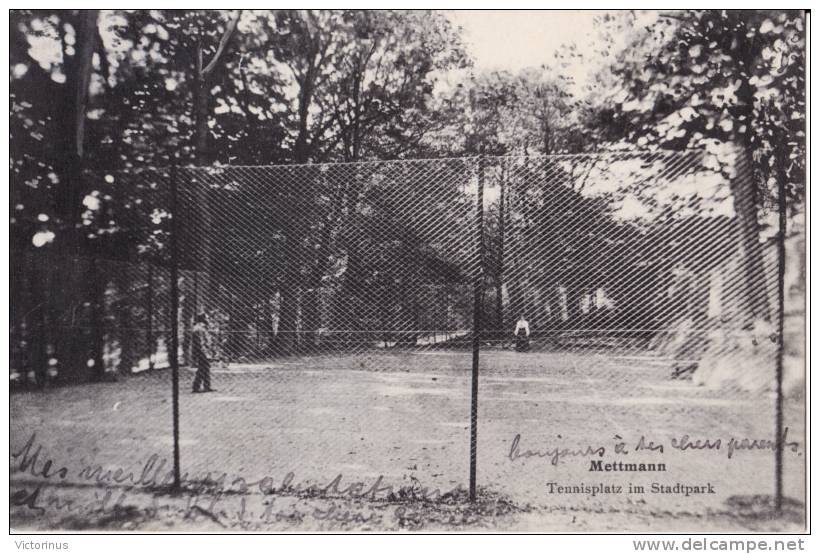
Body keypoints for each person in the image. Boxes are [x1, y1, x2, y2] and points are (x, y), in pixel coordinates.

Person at [192, 313, 216, 393]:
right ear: (203, 319)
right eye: (207, 318)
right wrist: (205, 353)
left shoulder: (201, 328)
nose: (208, 320)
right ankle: (197, 387)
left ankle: (206, 386)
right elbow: (200, 342)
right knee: (203, 368)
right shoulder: (199, 329)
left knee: (204, 368)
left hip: (203, 351)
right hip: (202, 352)